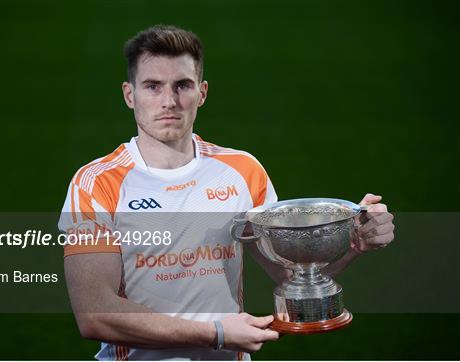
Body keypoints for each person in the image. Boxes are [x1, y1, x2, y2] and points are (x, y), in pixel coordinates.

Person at [58, 25, 395, 360]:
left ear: (202, 92)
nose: (169, 101)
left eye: (182, 86)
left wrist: (353, 244)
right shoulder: (95, 183)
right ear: (129, 94)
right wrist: (216, 334)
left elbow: (294, 278)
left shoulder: (243, 170)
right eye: (153, 87)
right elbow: (95, 314)